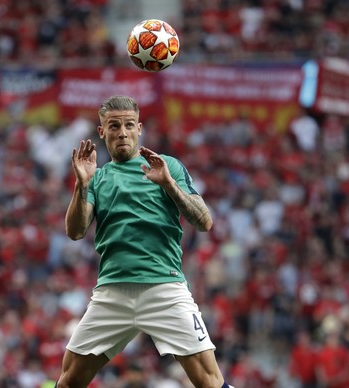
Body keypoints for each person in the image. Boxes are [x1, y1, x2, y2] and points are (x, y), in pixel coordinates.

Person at [56, 96, 232, 388]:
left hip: (164, 287)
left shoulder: (166, 167)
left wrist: (168, 184)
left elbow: (204, 222)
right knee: (68, 381)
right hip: (112, 291)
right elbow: (75, 231)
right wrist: (82, 183)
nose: (122, 132)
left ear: (139, 129)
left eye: (128, 125)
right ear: (102, 132)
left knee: (210, 382)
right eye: (114, 126)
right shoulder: (97, 179)